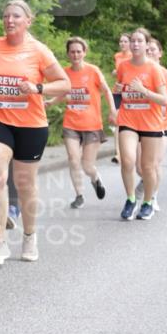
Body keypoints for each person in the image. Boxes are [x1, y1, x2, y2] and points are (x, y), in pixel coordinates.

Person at [0, 0, 70, 268]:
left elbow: (65, 83)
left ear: (28, 21)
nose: (9, 20)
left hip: (31, 124)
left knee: (25, 183)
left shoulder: (39, 51)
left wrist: (38, 88)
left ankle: (30, 237)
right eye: (6, 16)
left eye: (16, 16)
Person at [51, 37, 117, 208]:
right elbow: (63, 93)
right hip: (71, 123)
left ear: (84, 53)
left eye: (79, 51)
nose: (75, 55)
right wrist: (51, 102)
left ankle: (95, 178)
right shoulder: (65, 73)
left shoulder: (93, 71)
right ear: (68, 54)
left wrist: (112, 110)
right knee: (73, 159)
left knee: (87, 166)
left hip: (91, 124)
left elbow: (107, 91)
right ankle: (79, 195)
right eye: (72, 52)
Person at [115, 27, 167, 221]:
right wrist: (119, 93)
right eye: (133, 41)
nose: (135, 44)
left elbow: (164, 100)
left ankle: (147, 203)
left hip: (151, 123)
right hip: (128, 119)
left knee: (147, 167)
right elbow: (120, 91)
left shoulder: (154, 69)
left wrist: (143, 90)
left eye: (139, 41)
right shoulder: (123, 66)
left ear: (146, 45)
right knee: (127, 160)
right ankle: (130, 199)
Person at [111, 32, 131, 164]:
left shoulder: (133, 56)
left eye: (125, 41)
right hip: (117, 91)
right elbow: (118, 73)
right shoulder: (117, 56)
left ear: (130, 43)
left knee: (129, 121)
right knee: (117, 120)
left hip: (130, 92)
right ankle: (118, 153)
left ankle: (130, 149)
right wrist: (115, 72)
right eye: (121, 41)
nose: (122, 43)